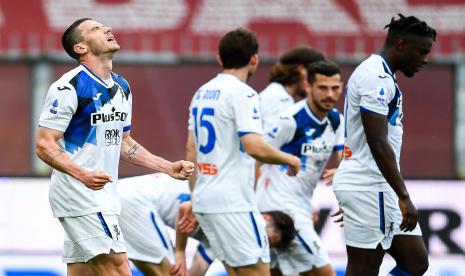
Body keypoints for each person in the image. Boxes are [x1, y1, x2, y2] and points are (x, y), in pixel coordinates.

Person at [34, 18, 194, 276]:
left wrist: (167, 167)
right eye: (96, 29)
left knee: (83, 271)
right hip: (80, 194)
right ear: (80, 48)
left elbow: (124, 142)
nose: (107, 29)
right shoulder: (69, 87)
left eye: (105, 26)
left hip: (105, 195)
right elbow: (43, 144)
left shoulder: (121, 87)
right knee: (119, 267)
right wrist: (82, 174)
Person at [185, 28, 301, 276]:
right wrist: (289, 158)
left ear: (219, 58)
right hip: (233, 203)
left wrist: (196, 197)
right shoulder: (243, 93)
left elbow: (190, 151)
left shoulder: (201, 93)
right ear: (254, 59)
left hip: (205, 199)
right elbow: (253, 146)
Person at [332, 14, 436, 276]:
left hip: (375, 187)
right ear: (401, 44)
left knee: (416, 263)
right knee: (363, 270)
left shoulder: (382, 75)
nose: (424, 59)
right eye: (421, 51)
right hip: (370, 185)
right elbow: (377, 141)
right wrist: (403, 196)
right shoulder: (375, 77)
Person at [255, 60, 344, 276]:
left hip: (301, 207)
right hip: (279, 210)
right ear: (308, 87)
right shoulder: (290, 120)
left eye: (335, 88)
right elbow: (256, 152)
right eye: (322, 87)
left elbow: (344, 161)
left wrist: (344, 186)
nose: (329, 94)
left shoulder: (336, 121)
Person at [117, 173, 298, 276]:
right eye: (267, 239)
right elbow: (185, 208)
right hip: (134, 201)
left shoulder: (230, 238)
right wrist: (180, 251)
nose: (261, 245)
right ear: (265, 218)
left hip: (121, 195)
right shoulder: (237, 210)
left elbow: (198, 268)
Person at [260, 47, 325, 131]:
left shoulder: (276, 94)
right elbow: (268, 140)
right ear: (301, 70)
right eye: (315, 75)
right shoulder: (279, 99)